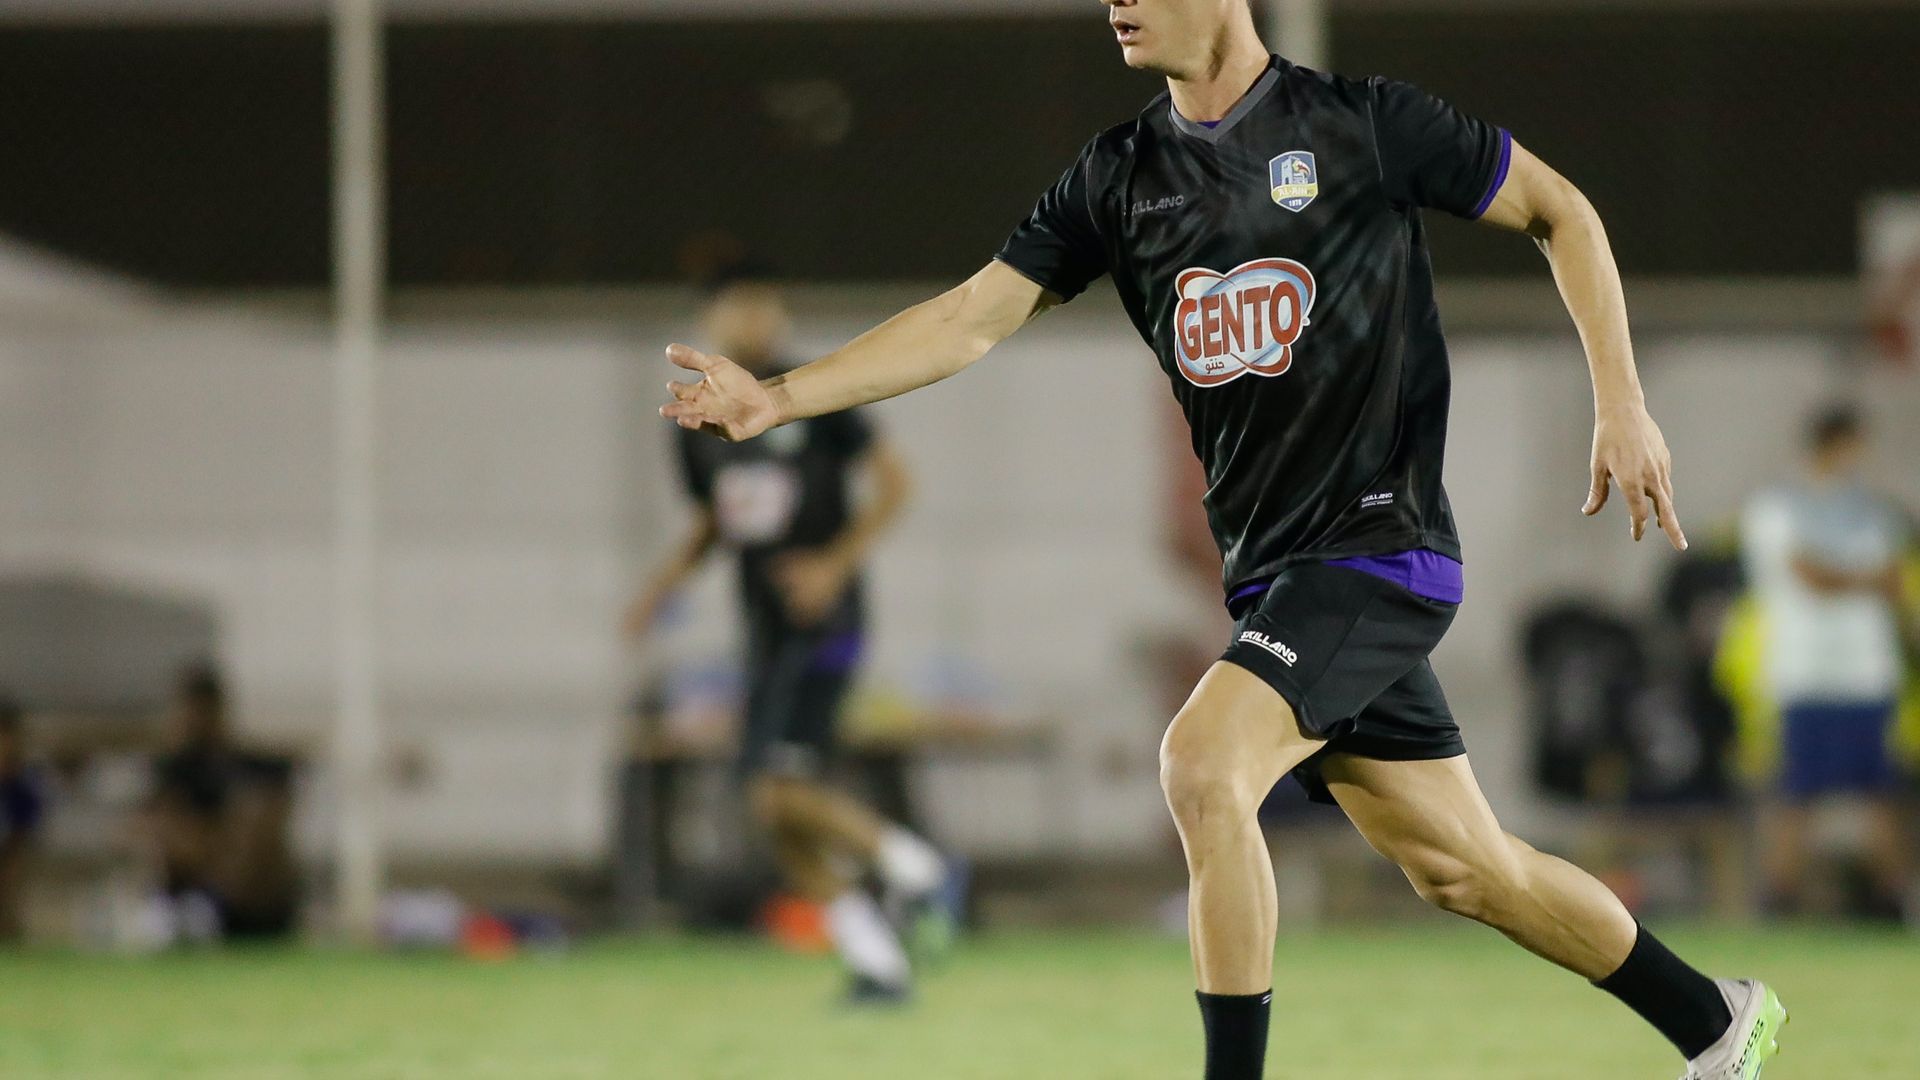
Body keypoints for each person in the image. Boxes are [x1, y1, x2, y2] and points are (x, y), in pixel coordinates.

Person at [658, 3, 1788, 1075]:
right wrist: (780, 399)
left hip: (1378, 548)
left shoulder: (1364, 124)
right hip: (1278, 580)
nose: (1115, 6)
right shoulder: (1119, 178)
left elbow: (1563, 212)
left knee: (1201, 764)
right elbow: (966, 318)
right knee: (1465, 870)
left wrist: (1623, 402)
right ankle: (1714, 1019)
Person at [627, 266, 949, 1004]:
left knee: (768, 788)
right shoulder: (699, 422)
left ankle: (917, 869)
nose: (753, 319)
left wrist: (834, 566)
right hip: (764, 624)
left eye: (762, 304)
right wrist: (661, 588)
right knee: (773, 803)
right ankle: (878, 959)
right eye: (737, 307)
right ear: (710, 320)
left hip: (826, 625)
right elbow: (715, 518)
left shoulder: (814, 394)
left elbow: (895, 484)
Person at [1742, 404, 1912, 920]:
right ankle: (1778, 903)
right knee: (1799, 795)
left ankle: (1893, 903)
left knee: (1880, 792)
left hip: (1866, 674)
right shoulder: (1776, 509)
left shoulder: (1874, 512)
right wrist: (1869, 581)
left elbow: (1897, 582)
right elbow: (1809, 575)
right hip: (1807, 674)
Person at [0, 696, 47, 941]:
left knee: (13, 869)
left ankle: (9, 931)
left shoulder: (23, 786)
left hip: (10, 854)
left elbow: (23, 835)